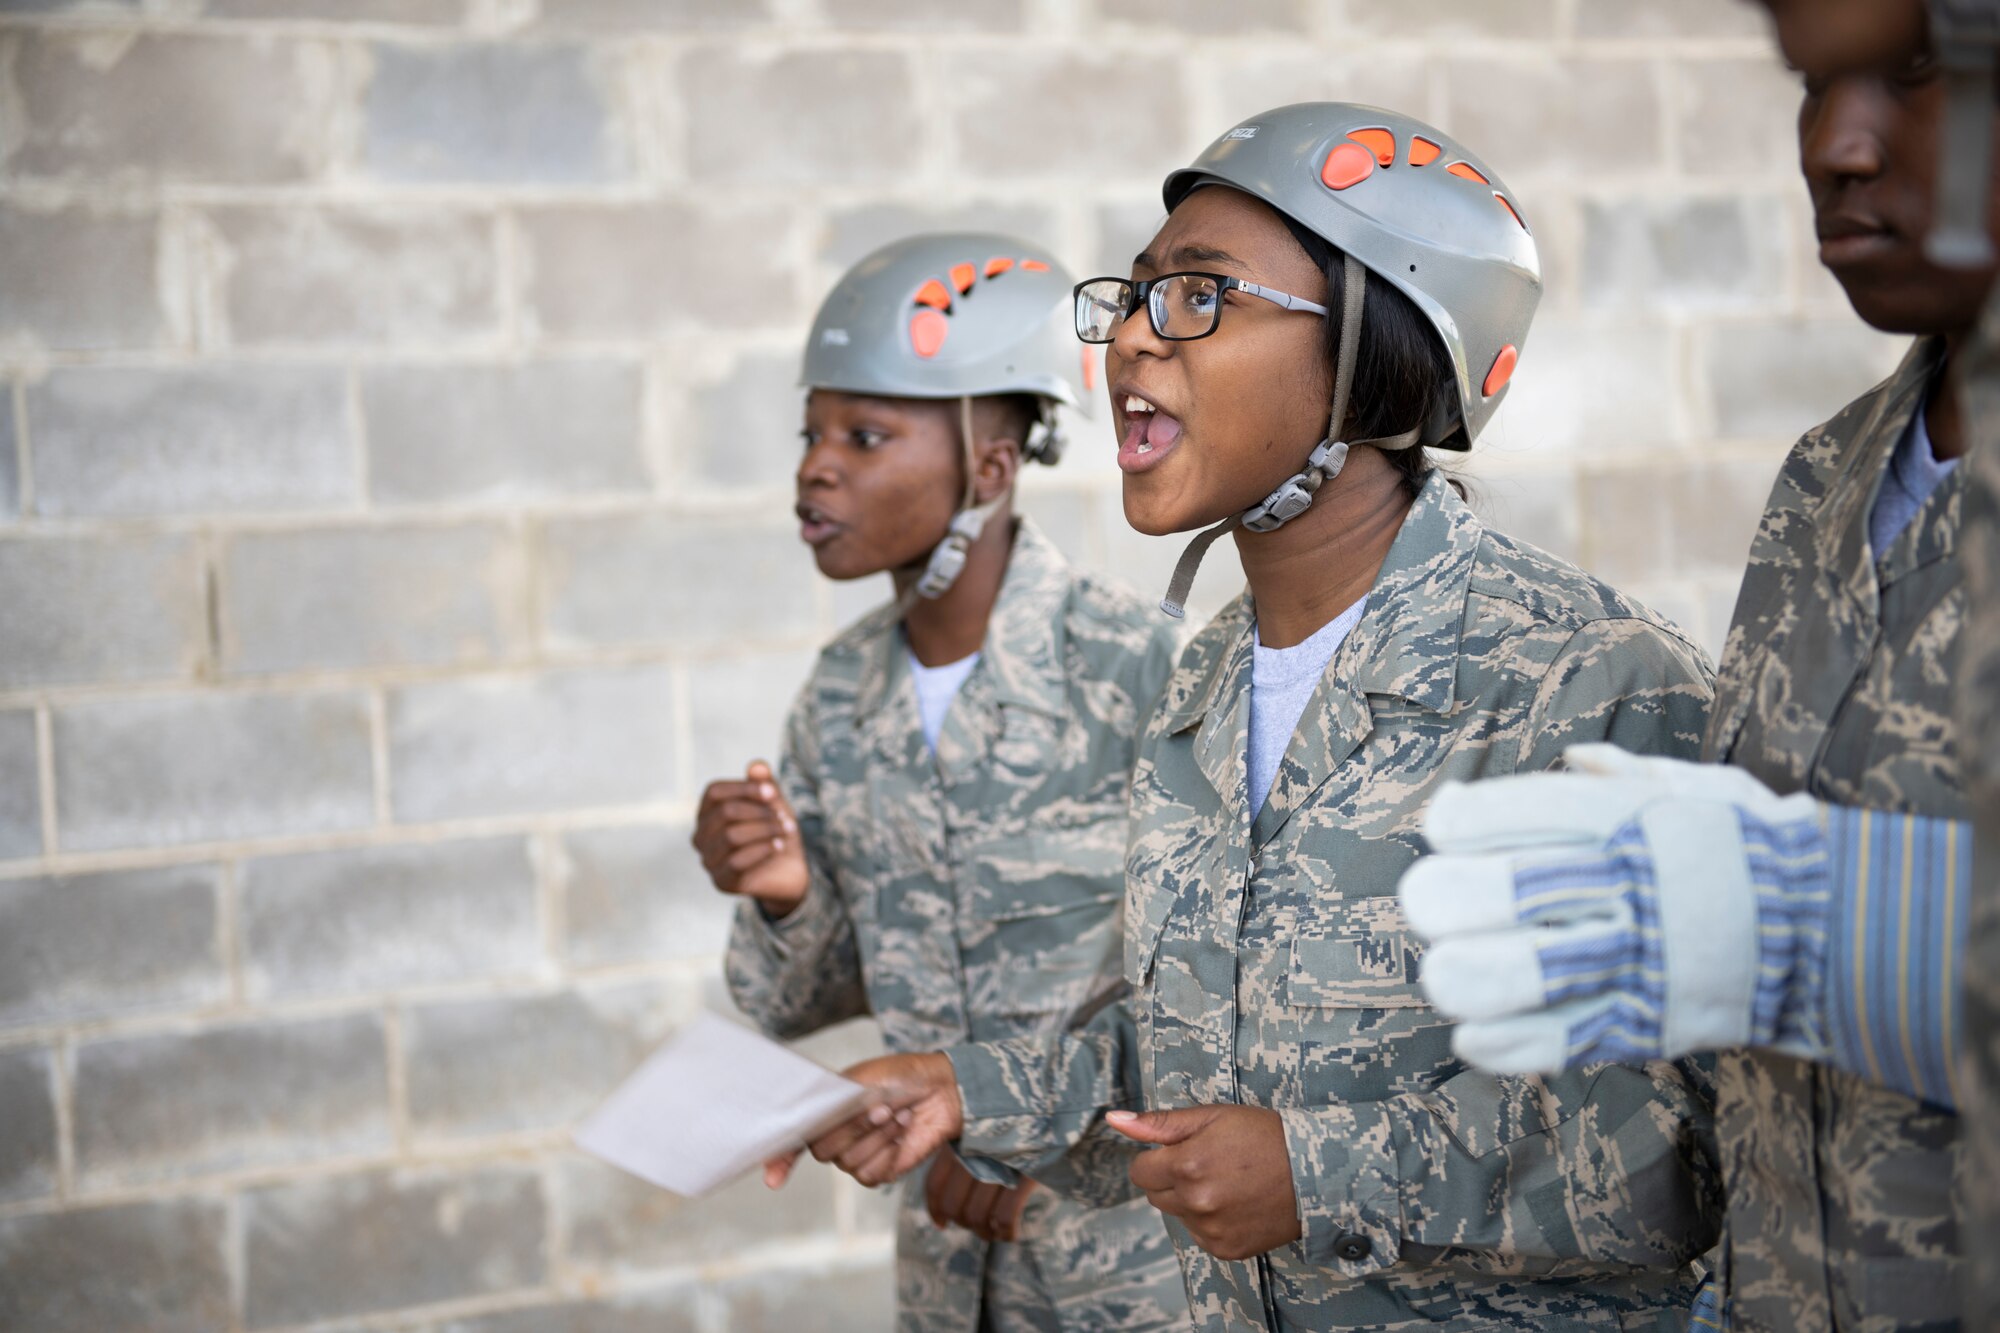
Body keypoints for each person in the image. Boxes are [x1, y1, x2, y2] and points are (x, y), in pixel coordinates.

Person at [788, 104, 1725, 1330]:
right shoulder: (1204, 683)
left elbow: (1704, 1137)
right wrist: (967, 1089)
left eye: (1197, 296)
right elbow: (1199, 1045)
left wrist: (1316, 1170)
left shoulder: (1592, 681)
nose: (1129, 336)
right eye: (1131, 296)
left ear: (1374, 352)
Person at [1395, 2, 1993, 1326]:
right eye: (1812, 85)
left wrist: (1846, 930)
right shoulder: (1833, 477)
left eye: (1919, 73)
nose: (1837, 145)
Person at [690, 232, 1188, 1332]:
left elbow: (1221, 1001)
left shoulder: (1135, 669)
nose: (818, 465)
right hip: (944, 1279)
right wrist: (781, 891)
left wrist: (1012, 1123)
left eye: (865, 436)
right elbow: (790, 999)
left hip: (1136, 1276)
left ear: (990, 470)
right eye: (812, 433)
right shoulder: (836, 695)